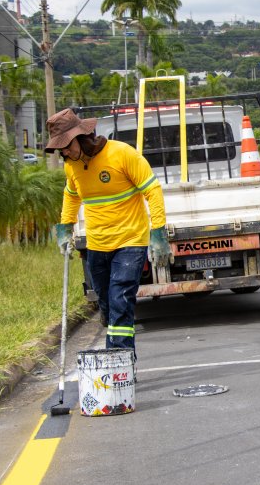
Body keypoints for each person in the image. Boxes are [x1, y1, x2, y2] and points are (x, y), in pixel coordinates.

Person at [47, 108, 170, 357]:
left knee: (121, 299)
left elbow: (152, 190)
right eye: (60, 149)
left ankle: (120, 361)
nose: (64, 153)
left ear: (81, 137)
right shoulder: (72, 166)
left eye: (66, 146)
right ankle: (116, 345)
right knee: (105, 302)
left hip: (130, 241)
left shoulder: (121, 154)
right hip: (97, 244)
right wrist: (65, 228)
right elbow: (71, 196)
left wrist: (158, 233)